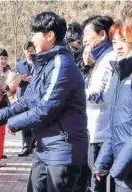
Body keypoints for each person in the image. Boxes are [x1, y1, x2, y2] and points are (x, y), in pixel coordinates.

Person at [0, 11, 88, 192]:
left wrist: (14, 123)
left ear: (50, 36)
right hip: (45, 149)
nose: (32, 39)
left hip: (63, 152)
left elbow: (46, 108)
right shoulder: (43, 64)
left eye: (35, 34)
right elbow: (27, 100)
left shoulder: (62, 64)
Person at [94, 21, 132, 192]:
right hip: (123, 169)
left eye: (123, 40)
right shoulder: (119, 74)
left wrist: (118, 167)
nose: (118, 46)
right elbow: (114, 125)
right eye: (114, 42)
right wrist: (103, 161)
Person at [82, 15, 116, 192]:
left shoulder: (110, 58)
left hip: (102, 135)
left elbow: (102, 95)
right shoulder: (100, 59)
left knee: (99, 186)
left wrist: (76, 95)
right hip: (95, 131)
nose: (84, 39)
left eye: (87, 33)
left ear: (102, 34)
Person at [14, 41, 36, 157]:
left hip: (37, 97)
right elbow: (13, 79)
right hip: (23, 96)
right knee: (25, 122)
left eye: (32, 51)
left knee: (36, 121)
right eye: (28, 51)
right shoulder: (19, 65)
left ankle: (35, 145)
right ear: (24, 51)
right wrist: (21, 79)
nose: (30, 53)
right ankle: (26, 146)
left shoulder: (39, 63)